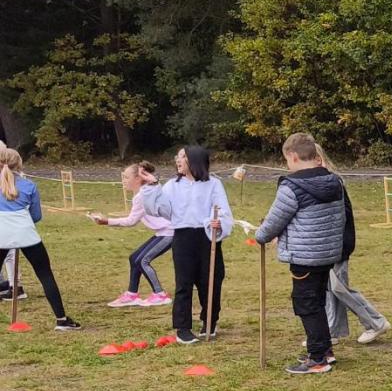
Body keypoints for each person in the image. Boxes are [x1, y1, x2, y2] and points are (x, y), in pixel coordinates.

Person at [253, 133, 348, 374]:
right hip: (326, 253)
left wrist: (260, 235)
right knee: (317, 301)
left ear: (293, 157)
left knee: (306, 304)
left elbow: (275, 221)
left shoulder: (292, 187)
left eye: (286, 160)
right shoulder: (334, 181)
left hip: (304, 255)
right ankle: (325, 350)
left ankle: (317, 358)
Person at [149, 145, 233, 343]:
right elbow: (159, 209)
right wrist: (151, 188)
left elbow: (222, 210)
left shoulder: (213, 184)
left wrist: (217, 222)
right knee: (183, 283)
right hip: (183, 237)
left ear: (194, 160)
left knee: (210, 281)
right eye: (177, 157)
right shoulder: (172, 185)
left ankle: (210, 320)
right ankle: (183, 328)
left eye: (182, 157)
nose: (177, 160)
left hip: (207, 237)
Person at [312, 145, 390, 348]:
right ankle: (332, 330)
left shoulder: (331, 182)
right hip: (328, 245)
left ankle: (375, 321)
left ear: (318, 159)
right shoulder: (321, 181)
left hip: (338, 244)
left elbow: (337, 218)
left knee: (338, 287)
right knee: (331, 287)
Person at [0, 146, 81, 330]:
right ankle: (61, 320)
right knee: (45, 274)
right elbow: (36, 216)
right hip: (26, 234)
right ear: (19, 164)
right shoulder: (29, 186)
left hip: (1, 234)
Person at [90, 161, 174, 307]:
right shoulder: (143, 193)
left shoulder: (142, 196)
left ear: (138, 179)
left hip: (169, 232)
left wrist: (106, 221)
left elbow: (131, 221)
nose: (123, 180)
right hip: (162, 232)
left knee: (142, 261)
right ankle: (132, 294)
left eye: (126, 177)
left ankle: (160, 294)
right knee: (134, 258)